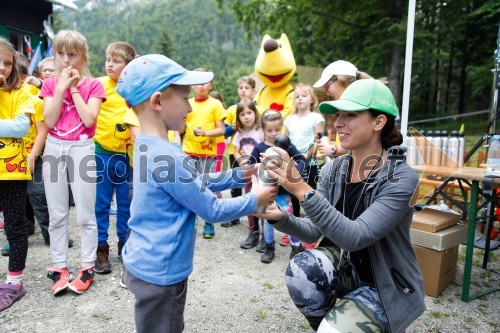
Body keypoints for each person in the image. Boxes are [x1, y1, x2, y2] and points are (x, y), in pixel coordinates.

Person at [115, 54, 276, 333]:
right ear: (157, 102)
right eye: (184, 98)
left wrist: (238, 175)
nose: (189, 107)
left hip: (145, 261)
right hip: (162, 273)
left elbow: (191, 183)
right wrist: (256, 199)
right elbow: (212, 210)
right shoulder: (166, 156)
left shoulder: (147, 147)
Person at [257, 78, 425, 332]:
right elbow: (314, 230)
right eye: (338, 115)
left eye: (350, 115)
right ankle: (331, 324)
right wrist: (277, 216)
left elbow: (356, 237)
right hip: (348, 268)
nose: (338, 123)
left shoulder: (401, 178)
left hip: (385, 284)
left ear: (378, 122)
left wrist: (301, 188)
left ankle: (374, 320)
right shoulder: (334, 168)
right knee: (302, 270)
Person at [40, 30, 106, 296]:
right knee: (56, 213)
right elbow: (50, 120)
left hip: (82, 147)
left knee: (85, 213)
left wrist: (74, 88)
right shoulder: (48, 85)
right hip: (54, 147)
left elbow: (90, 120)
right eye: (60, 54)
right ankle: (59, 266)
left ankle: (87, 265)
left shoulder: (94, 85)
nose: (66, 60)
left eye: (72, 55)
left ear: (83, 57)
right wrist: (60, 88)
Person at [93, 42, 136, 274]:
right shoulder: (98, 84)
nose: (110, 64)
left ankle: (124, 244)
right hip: (101, 153)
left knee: (125, 204)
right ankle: (101, 247)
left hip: (127, 157)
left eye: (116, 61)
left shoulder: (134, 87)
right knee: (100, 203)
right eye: (108, 59)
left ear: (128, 66)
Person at [0, 36, 35, 311]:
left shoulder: (20, 93)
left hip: (11, 171)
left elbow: (20, 128)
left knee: (14, 226)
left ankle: (14, 282)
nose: (3, 68)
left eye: (7, 63)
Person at [247, 109, 306, 263]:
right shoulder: (259, 148)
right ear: (262, 130)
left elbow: (302, 160)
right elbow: (251, 166)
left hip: (285, 193)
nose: (274, 133)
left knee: (290, 219)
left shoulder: (288, 147)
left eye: (277, 130)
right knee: (267, 221)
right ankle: (269, 247)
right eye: (269, 130)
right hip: (267, 193)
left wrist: (293, 175)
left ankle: (296, 247)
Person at [182, 68, 226, 239]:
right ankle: (190, 222)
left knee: (208, 187)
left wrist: (206, 133)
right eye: (197, 81)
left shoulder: (215, 104)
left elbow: (221, 130)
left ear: (211, 85)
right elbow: (180, 128)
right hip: (188, 152)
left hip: (208, 154)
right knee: (189, 187)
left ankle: (209, 222)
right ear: (192, 84)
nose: (201, 85)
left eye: (204, 81)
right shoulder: (187, 102)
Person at [283, 83, 325, 249]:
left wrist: (304, 157)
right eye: (297, 96)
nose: (299, 98)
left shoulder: (316, 118)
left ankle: (310, 234)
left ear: (312, 99)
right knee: (292, 198)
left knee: (308, 198)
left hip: (309, 164)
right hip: (292, 164)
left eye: (304, 95)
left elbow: (318, 140)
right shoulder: (289, 119)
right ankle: (292, 231)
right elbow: (284, 141)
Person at [313, 60, 372, 160]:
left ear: (341, 80)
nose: (327, 93)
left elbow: (357, 141)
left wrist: (333, 149)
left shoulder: (359, 106)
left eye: (327, 86)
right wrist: (325, 146)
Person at [223, 75, 259, 227]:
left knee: (255, 185)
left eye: (247, 88)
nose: (243, 91)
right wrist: (232, 128)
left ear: (253, 90)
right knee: (236, 185)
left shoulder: (259, 108)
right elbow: (224, 132)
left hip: (255, 154)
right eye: (241, 88)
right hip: (236, 152)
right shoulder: (232, 109)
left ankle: (255, 216)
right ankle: (234, 215)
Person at [231, 99, 263, 242]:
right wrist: (240, 160)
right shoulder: (239, 134)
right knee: (251, 202)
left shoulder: (260, 131)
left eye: (249, 112)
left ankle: (266, 237)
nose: (247, 117)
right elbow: (235, 151)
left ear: (255, 114)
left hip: (261, 173)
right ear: (238, 118)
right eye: (242, 114)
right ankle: (253, 232)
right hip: (248, 173)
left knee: (263, 204)